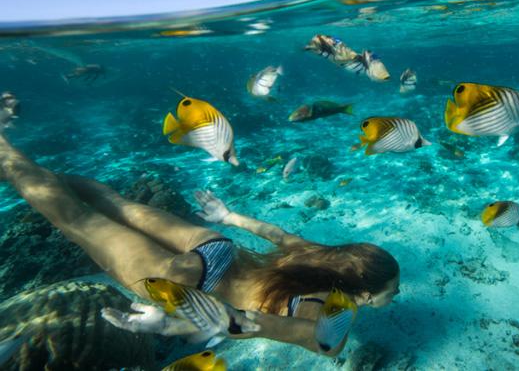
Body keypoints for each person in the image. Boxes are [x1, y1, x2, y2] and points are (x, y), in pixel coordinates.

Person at [0, 131, 400, 356]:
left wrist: (227, 217)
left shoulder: (325, 258)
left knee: (116, 204)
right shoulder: (335, 325)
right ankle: (10, 159)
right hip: (191, 285)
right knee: (77, 220)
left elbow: (276, 235)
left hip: (216, 247)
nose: (394, 297)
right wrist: (172, 324)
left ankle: (24, 167)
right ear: (363, 293)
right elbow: (249, 323)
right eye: (390, 292)